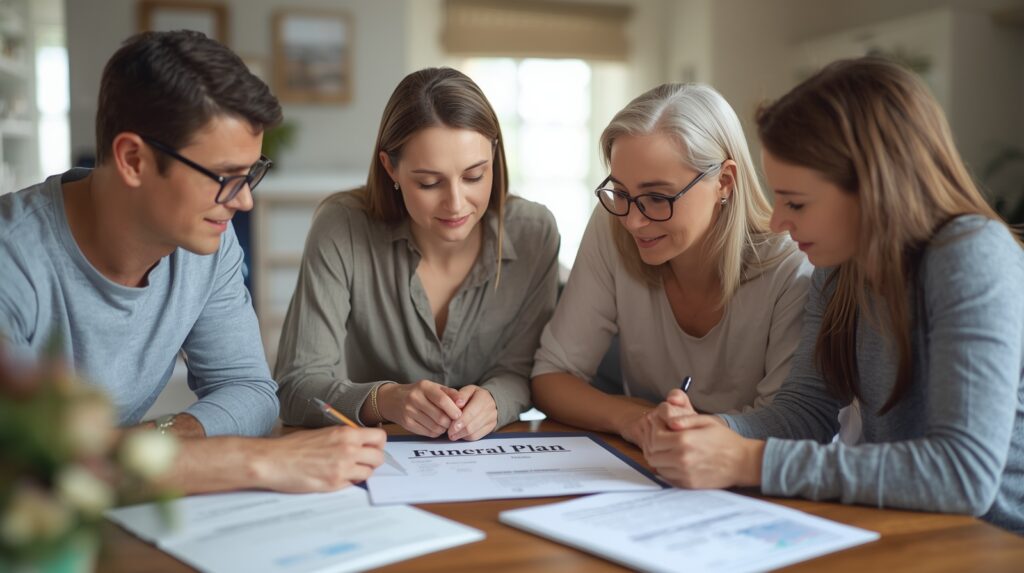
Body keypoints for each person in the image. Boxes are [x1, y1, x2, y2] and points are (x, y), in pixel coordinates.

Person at [645, 57, 1024, 534]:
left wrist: (750, 460)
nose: (779, 222)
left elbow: (963, 475)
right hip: (902, 529)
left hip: (991, 540)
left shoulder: (971, 255)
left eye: (796, 203)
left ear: (873, 188)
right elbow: (805, 411)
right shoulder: (839, 269)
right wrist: (712, 433)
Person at [0, 31, 384, 494]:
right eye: (224, 177)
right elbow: (25, 464)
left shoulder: (207, 246)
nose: (243, 202)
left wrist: (154, 442)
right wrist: (254, 462)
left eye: (251, 175)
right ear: (133, 160)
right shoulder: (12, 260)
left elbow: (253, 394)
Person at [274, 67, 560, 441]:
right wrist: (385, 400)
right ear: (390, 167)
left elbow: (527, 371)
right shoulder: (342, 226)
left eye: (474, 176)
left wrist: (494, 400)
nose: (456, 204)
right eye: (429, 182)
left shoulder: (534, 232)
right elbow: (296, 388)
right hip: (381, 464)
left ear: (494, 156)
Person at [530, 83, 811, 446]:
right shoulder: (612, 225)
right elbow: (552, 376)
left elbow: (788, 421)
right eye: (621, 193)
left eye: (657, 197)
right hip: (651, 467)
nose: (633, 221)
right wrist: (634, 419)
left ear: (724, 182)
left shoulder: (792, 268)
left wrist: (688, 434)